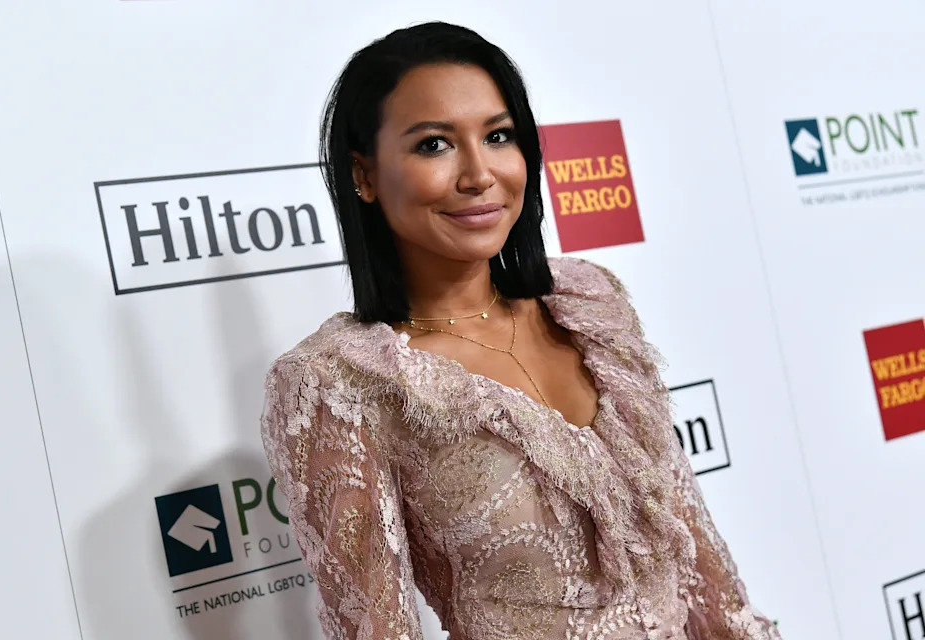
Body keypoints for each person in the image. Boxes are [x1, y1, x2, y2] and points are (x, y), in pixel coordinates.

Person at [260, 21, 780, 640]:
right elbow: (376, 629)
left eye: (499, 136)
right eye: (434, 145)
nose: (479, 174)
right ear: (364, 175)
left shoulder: (593, 307)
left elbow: (702, 569)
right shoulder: (338, 384)